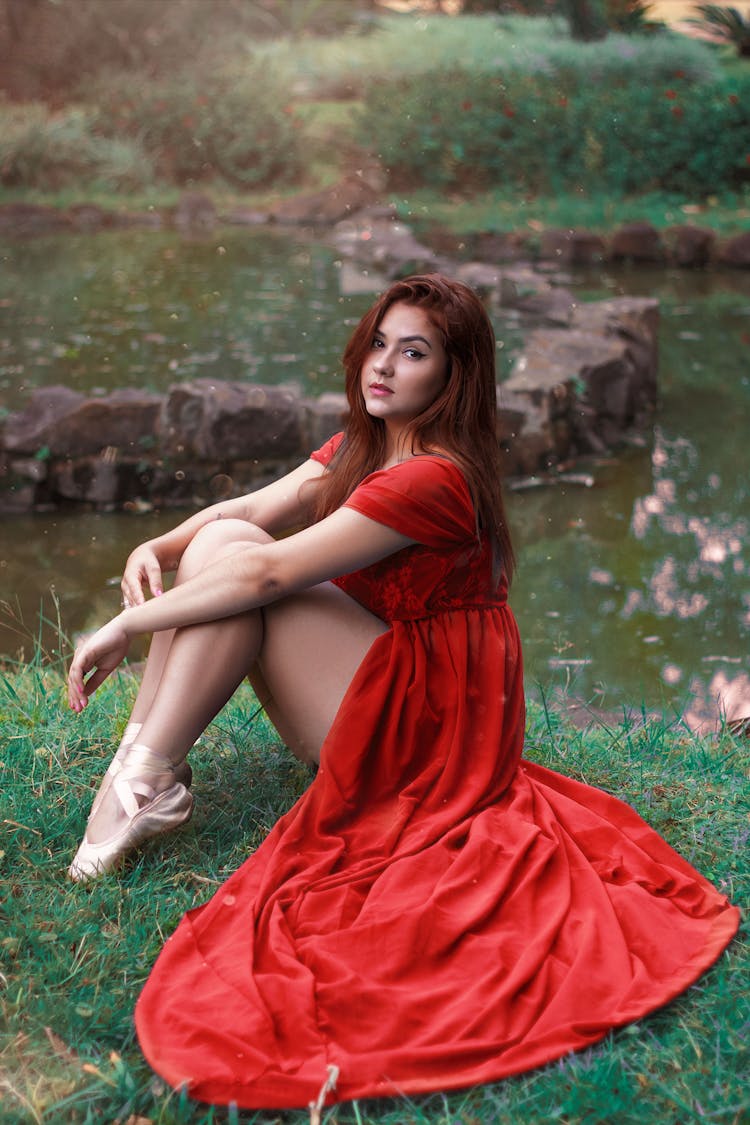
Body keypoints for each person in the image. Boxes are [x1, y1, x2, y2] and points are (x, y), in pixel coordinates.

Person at [67, 274, 739, 1111]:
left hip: (432, 726)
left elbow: (273, 566)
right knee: (218, 546)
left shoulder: (436, 475)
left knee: (237, 567)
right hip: (391, 671)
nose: (383, 365)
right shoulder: (368, 440)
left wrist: (131, 626)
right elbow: (256, 508)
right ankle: (143, 772)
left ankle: (144, 777)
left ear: (451, 376)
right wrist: (158, 543)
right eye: (379, 342)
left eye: (413, 352)